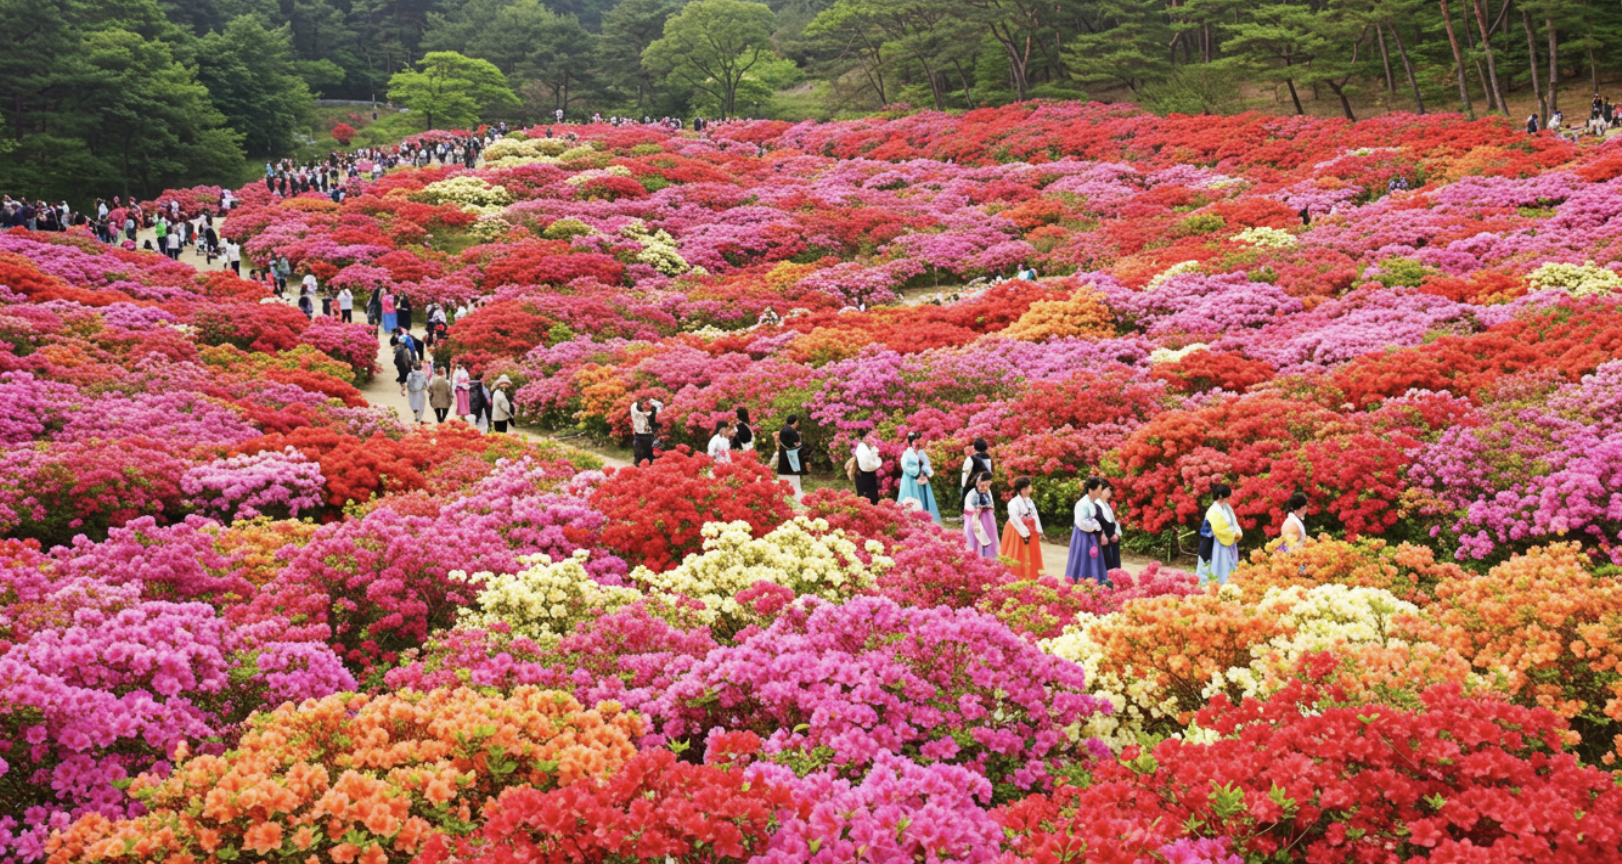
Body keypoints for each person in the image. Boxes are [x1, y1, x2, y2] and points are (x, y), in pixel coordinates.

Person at [1196, 483, 1243, 585]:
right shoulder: (1213, 511)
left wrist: (1237, 532)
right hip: (1213, 543)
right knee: (1212, 565)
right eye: (1228, 495)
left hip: (1225, 543)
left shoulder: (1227, 508)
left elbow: (1233, 522)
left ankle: (1226, 583)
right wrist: (1233, 534)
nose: (1230, 497)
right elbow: (1219, 529)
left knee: (1226, 565)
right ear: (1221, 496)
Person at [1064, 478, 1109, 584]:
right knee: (1084, 556)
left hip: (1092, 533)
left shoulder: (1094, 503)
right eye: (1098, 490)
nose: (1100, 493)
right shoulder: (1082, 504)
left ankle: (1095, 579)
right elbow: (1082, 522)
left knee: (1094, 556)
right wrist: (1096, 526)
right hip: (1083, 534)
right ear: (1090, 490)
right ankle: (1080, 579)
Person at [999, 476, 1044, 579]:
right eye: (1029, 486)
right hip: (1016, 530)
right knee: (1017, 552)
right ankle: (1016, 575)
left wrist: (1038, 529)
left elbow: (1035, 514)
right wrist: (1024, 532)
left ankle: (1030, 575)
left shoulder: (1029, 501)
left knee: (1030, 553)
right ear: (1023, 489)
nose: (1031, 488)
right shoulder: (1013, 503)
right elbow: (1015, 518)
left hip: (1030, 529)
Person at [897, 432, 940, 524]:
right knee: (911, 499)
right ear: (911, 442)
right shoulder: (907, 453)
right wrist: (916, 472)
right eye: (915, 441)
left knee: (923, 498)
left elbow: (926, 463)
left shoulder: (921, 452)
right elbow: (905, 465)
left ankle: (924, 519)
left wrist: (925, 472)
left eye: (918, 441)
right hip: (910, 479)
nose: (917, 443)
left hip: (921, 478)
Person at [962, 473, 998, 559]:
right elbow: (968, 505)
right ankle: (974, 557)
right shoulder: (972, 493)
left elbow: (991, 504)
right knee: (974, 538)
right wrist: (974, 510)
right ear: (977, 483)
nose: (985, 488)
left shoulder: (988, 492)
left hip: (987, 518)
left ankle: (989, 558)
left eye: (987, 486)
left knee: (989, 537)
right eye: (982, 486)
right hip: (975, 518)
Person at [774, 415, 804, 501]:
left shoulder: (783, 430)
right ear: (795, 422)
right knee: (794, 483)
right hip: (791, 460)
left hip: (783, 459)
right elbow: (797, 444)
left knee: (784, 482)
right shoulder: (792, 431)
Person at [1096, 480, 1121, 572]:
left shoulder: (1107, 505)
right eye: (1106, 490)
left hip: (1111, 537)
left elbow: (1113, 521)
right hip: (1103, 538)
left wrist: (1117, 533)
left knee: (1113, 563)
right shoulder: (1097, 505)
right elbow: (1098, 521)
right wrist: (1102, 534)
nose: (1109, 491)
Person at [630, 397, 663, 466]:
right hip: (640, 435)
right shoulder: (635, 408)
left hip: (650, 435)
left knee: (650, 458)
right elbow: (643, 413)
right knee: (639, 457)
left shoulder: (655, 406)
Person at [854, 430, 882, 504]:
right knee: (867, 498)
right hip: (864, 476)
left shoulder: (866, 447)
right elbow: (867, 465)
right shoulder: (862, 449)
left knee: (871, 497)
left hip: (868, 475)